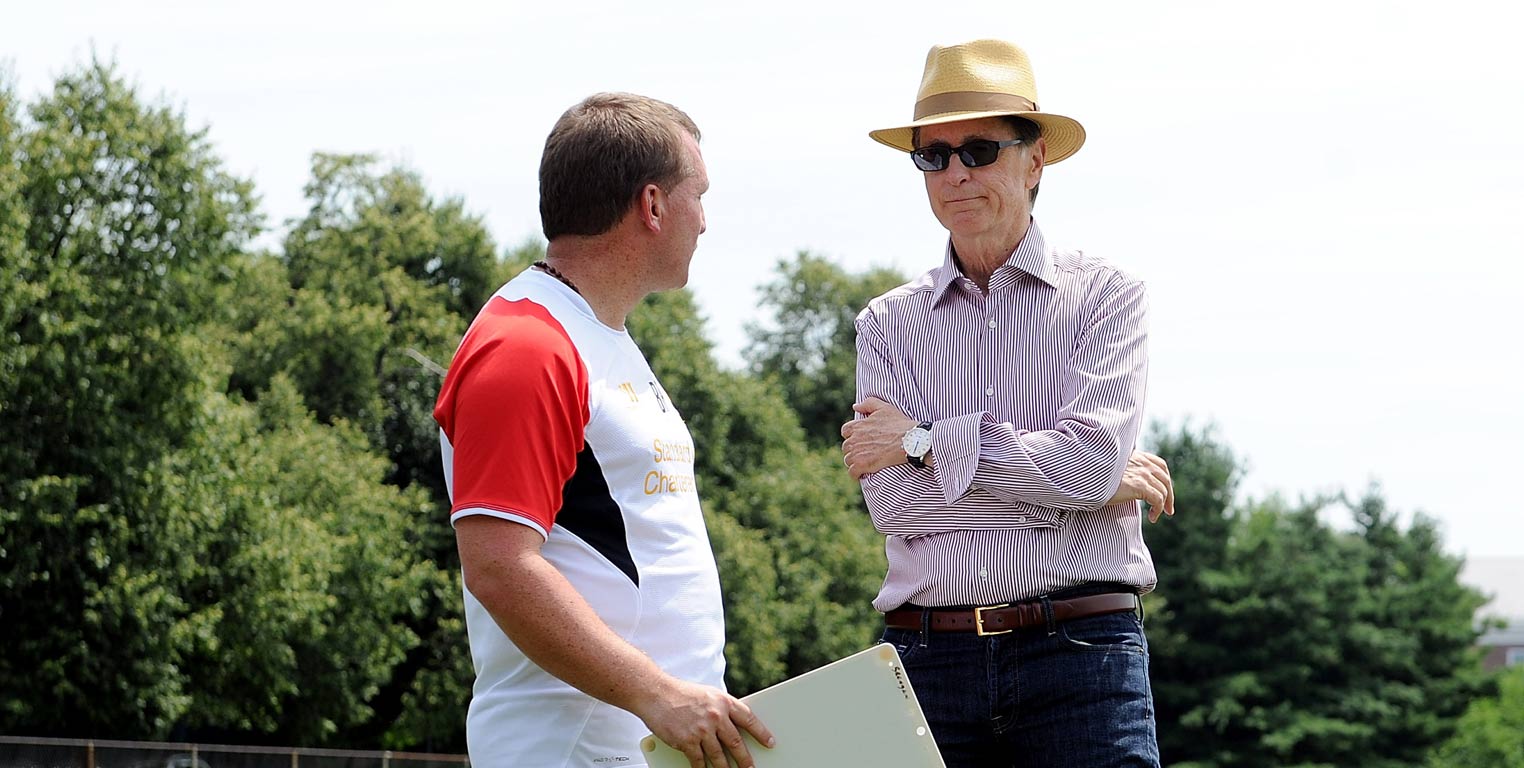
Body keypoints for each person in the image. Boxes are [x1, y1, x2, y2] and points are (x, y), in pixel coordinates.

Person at [839, 39, 1174, 767]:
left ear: (1036, 159)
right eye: (933, 156)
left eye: (980, 150)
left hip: (1083, 659)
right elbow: (895, 507)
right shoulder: (886, 324)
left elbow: (1084, 468)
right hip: (927, 665)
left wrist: (926, 443)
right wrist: (1090, 487)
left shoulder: (1108, 297)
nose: (955, 174)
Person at [432, 92, 774, 768]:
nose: (705, 222)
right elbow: (499, 566)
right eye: (697, 196)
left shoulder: (597, 337)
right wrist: (656, 694)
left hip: (649, 746)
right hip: (570, 750)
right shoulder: (526, 346)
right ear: (652, 206)